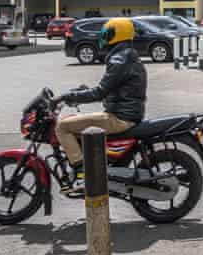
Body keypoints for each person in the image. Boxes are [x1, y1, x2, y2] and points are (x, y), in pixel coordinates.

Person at [53, 17, 146, 194]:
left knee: (63, 126)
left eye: (107, 34)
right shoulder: (125, 56)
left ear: (116, 35)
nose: (103, 37)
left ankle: (82, 175)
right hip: (124, 113)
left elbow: (100, 92)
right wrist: (80, 93)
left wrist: (67, 96)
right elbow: (110, 89)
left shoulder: (120, 59)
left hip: (119, 118)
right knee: (73, 121)